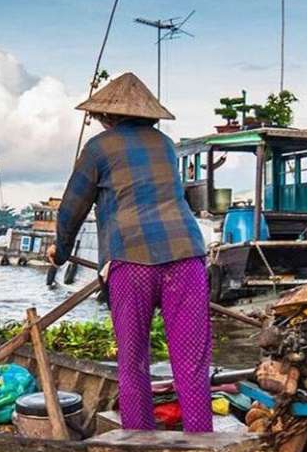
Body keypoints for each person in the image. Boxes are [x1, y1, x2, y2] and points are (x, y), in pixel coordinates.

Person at [47, 72, 212, 433]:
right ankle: (202, 439)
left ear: (107, 117)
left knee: (133, 359)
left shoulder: (98, 147)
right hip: (187, 256)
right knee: (191, 361)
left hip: (132, 261)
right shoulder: (166, 145)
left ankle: (139, 438)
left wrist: (59, 253)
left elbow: (72, 207)